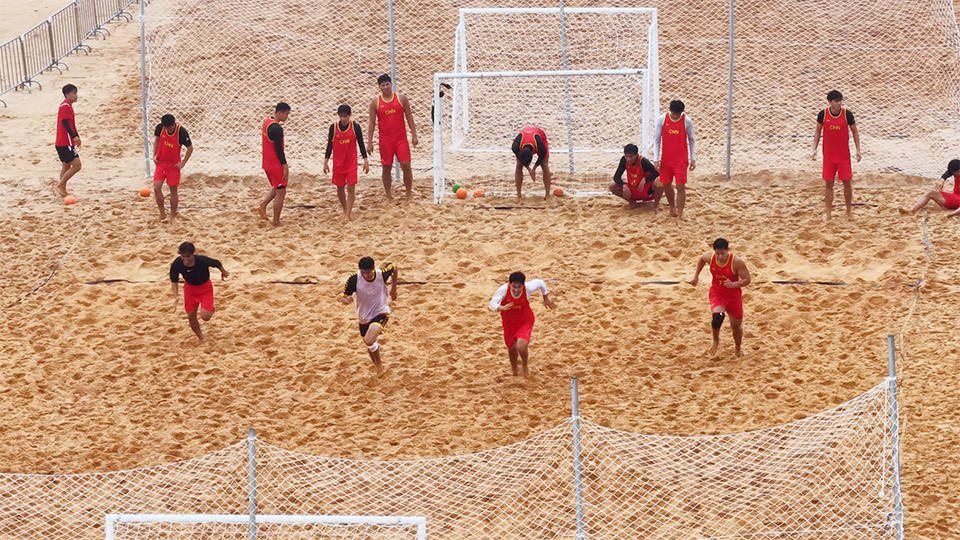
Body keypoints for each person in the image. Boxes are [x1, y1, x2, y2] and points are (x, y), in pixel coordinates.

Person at [689, 238, 752, 357]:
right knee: (718, 317)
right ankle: (715, 340)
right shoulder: (710, 257)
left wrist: (734, 284)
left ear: (727, 250)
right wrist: (696, 276)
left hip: (733, 296)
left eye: (722, 253)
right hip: (718, 293)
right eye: (718, 253)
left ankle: (737, 349)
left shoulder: (736, 262)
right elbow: (701, 259)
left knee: (736, 326)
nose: (720, 257)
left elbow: (747, 279)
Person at [488, 272, 557, 377]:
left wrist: (545, 297)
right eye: (514, 287)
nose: (516, 290)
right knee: (512, 349)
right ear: (510, 284)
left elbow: (540, 282)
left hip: (525, 320)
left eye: (519, 287)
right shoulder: (503, 289)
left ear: (523, 285)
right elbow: (492, 303)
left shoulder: (528, 287)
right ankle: (514, 369)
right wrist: (501, 308)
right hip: (509, 323)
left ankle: (525, 365)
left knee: (521, 346)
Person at [340, 257, 398, 375]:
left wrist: (393, 289)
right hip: (363, 316)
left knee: (369, 339)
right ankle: (378, 365)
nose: (365, 275)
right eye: (363, 272)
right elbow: (342, 297)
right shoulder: (354, 279)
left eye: (368, 272)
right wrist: (346, 300)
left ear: (373, 268)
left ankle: (379, 365)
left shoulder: (381, 274)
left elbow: (394, 267)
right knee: (369, 343)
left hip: (380, 312)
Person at [811, 90, 862, 220]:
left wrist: (858, 150)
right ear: (830, 102)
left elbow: (855, 132)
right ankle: (828, 213)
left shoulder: (847, 114)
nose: (839, 103)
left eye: (840, 100)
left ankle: (849, 212)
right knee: (828, 184)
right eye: (836, 101)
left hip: (843, 156)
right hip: (828, 156)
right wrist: (814, 149)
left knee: (847, 183)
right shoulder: (823, 114)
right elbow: (817, 131)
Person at [367, 74, 418, 201]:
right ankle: (388, 194)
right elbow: (371, 123)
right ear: (379, 87)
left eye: (387, 84)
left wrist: (414, 134)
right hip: (385, 139)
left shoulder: (401, 98)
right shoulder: (375, 102)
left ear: (391, 84)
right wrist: (369, 142)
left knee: (406, 165)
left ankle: (408, 193)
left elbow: (409, 116)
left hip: (401, 138)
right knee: (386, 167)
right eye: (383, 85)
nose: (386, 87)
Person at [169, 242, 229, 343]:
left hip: (205, 288)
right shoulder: (177, 263)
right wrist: (176, 296)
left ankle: (210, 308)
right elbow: (174, 279)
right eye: (183, 256)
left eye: (188, 256)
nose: (185, 259)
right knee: (191, 316)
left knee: (205, 317)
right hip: (190, 290)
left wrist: (224, 272)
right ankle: (201, 337)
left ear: (192, 254)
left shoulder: (201, 260)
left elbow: (217, 263)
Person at [324, 104, 369, 220]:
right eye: (341, 116)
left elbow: (361, 144)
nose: (343, 119)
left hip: (351, 162)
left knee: (351, 188)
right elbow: (329, 145)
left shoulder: (355, 127)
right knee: (340, 188)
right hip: (338, 163)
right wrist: (326, 162)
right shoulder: (333, 128)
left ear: (349, 115)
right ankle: (345, 210)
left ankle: (348, 214)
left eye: (345, 116)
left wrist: (365, 160)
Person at [653, 100, 696, 219]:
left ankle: (680, 215)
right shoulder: (662, 119)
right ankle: (672, 207)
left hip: (681, 160)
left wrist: (693, 159)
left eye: (678, 114)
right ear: (669, 110)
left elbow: (692, 140)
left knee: (680, 186)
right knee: (666, 185)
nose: (676, 116)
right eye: (674, 113)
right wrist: (656, 159)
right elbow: (657, 140)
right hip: (666, 159)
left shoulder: (687, 121)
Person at [151, 114, 193, 222]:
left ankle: (172, 217)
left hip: (173, 166)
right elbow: (157, 139)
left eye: (169, 127)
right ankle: (162, 214)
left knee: (173, 191)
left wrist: (183, 163)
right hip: (161, 164)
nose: (167, 129)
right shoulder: (160, 128)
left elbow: (190, 148)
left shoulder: (181, 132)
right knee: (156, 188)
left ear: (174, 124)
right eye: (166, 127)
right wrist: (154, 155)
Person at [258, 102, 291, 226]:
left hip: (266, 162)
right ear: (280, 113)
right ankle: (276, 221)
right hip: (275, 163)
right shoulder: (277, 129)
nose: (287, 117)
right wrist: (285, 165)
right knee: (281, 191)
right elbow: (279, 150)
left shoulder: (267, 121)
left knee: (277, 186)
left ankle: (263, 205)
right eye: (286, 114)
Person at [609, 143, 661, 208]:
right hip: (633, 189)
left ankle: (655, 204)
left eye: (631, 156)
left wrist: (645, 179)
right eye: (626, 156)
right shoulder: (624, 160)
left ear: (636, 155)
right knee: (612, 185)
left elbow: (657, 173)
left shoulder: (643, 161)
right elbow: (616, 177)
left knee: (660, 181)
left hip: (647, 190)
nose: (628, 159)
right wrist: (623, 185)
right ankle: (632, 202)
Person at [55, 84, 81, 197]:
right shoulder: (65, 106)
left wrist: (77, 136)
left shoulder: (67, 106)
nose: (76, 96)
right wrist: (74, 137)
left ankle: (62, 190)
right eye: (74, 93)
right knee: (77, 165)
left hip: (64, 142)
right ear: (67, 94)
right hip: (65, 142)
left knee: (66, 166)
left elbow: (71, 124)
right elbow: (65, 123)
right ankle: (60, 185)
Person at [511, 126, 552, 199]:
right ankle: (518, 194)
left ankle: (547, 194)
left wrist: (534, 168)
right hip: (524, 138)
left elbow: (542, 155)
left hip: (539, 135)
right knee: (519, 165)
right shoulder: (515, 147)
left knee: (544, 164)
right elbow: (521, 159)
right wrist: (529, 169)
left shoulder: (540, 145)